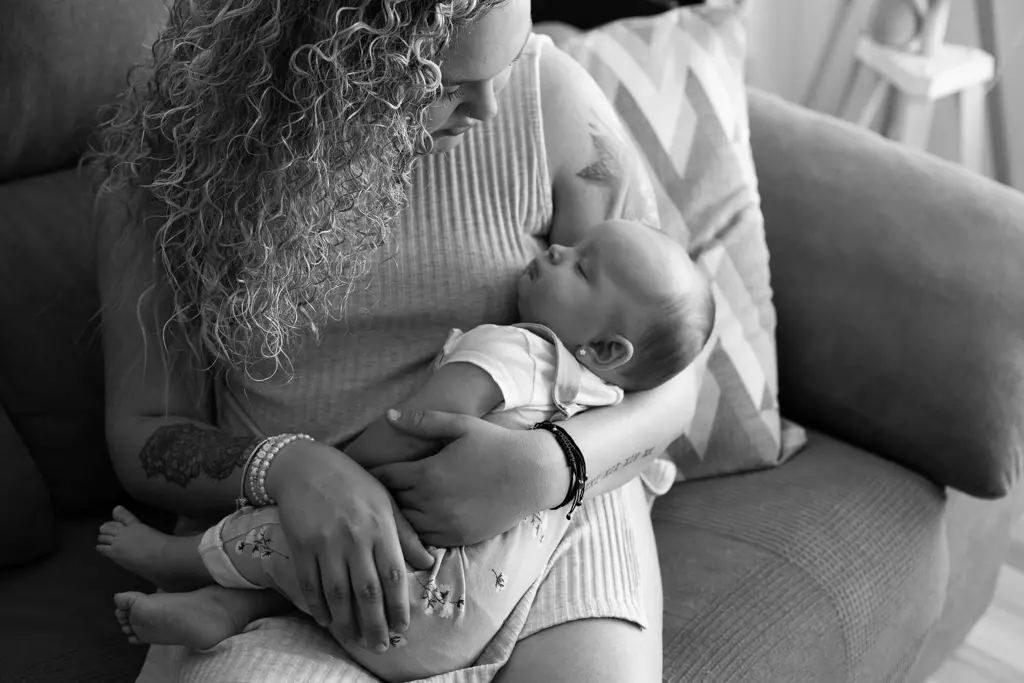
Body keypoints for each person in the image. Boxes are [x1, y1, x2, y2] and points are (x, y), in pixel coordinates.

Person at [90, 1, 702, 681]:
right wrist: (293, 469)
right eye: (443, 84)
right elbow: (145, 432)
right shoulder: (176, 155)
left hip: (548, 519)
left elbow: (670, 363)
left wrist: (551, 466)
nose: (491, 110)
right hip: (300, 551)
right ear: (330, 50)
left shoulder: (551, 103)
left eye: (506, 62)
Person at [97, 218, 715, 682]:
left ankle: (175, 560)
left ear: (608, 348)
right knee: (307, 566)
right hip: (472, 612)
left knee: (279, 535)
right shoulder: (600, 392)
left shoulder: (520, 351)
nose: (557, 247)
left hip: (402, 579)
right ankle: (227, 607)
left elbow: (414, 426)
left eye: (580, 267)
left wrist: (345, 471)